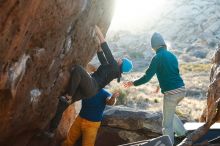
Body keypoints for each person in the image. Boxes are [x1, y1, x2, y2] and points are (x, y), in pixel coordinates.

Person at [47, 25, 133, 135]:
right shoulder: (112, 68)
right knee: (62, 106)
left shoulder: (115, 67)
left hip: (92, 85)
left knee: (78, 69)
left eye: (121, 59)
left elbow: (105, 46)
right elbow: (102, 55)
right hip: (91, 90)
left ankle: (68, 96)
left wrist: (97, 29)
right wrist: (98, 47)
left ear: (121, 64)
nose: (119, 58)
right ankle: (51, 131)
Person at [124, 32, 187, 144]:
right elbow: (171, 73)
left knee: (166, 124)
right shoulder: (172, 55)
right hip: (182, 90)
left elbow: (147, 77)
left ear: (154, 46)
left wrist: (133, 83)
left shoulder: (157, 57)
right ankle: (182, 133)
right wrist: (159, 86)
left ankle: (169, 143)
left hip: (171, 93)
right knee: (169, 113)